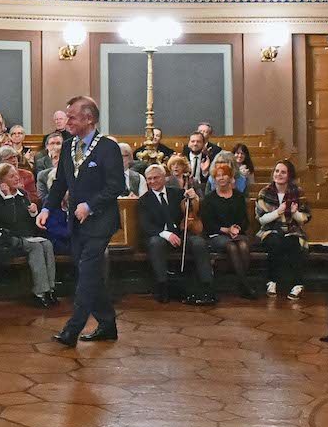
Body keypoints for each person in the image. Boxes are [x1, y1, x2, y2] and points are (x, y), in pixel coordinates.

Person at [36, 96, 124, 346]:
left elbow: (116, 185)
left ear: (89, 119)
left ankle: (72, 330)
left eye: (72, 117)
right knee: (90, 274)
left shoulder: (108, 148)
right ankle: (107, 324)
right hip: (75, 223)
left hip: (101, 222)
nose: (68, 121)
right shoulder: (67, 146)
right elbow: (60, 183)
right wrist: (47, 208)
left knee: (86, 275)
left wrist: (90, 205)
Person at [138, 164, 213, 305]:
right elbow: (146, 226)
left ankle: (207, 287)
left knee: (199, 242)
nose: (152, 181)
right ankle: (162, 287)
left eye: (156, 177)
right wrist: (166, 234)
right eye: (149, 179)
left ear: (164, 178)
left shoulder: (178, 193)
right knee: (156, 243)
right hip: (159, 236)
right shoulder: (144, 200)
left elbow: (195, 209)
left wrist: (194, 198)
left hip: (180, 234)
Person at [0, 162, 56, 308]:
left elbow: (29, 222)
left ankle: (50, 289)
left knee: (47, 244)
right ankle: (39, 292)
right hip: (7, 240)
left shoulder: (23, 194)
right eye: (11, 176)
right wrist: (8, 198)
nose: (17, 178)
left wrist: (33, 213)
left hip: (26, 236)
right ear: (2, 181)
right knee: (36, 247)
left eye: (16, 175)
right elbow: (9, 220)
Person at [256, 159, 311, 300]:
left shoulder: (298, 192)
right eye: (277, 171)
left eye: (283, 172)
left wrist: (294, 213)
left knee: (294, 243)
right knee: (275, 242)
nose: (278, 174)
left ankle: (298, 285)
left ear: (289, 175)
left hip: (292, 229)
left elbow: (305, 218)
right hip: (270, 229)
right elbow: (261, 219)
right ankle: (272, 281)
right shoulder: (265, 192)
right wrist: (277, 212)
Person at [200, 161, 256, 299]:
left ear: (230, 177)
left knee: (243, 245)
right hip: (217, 235)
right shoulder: (209, 199)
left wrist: (237, 228)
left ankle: (242, 283)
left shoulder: (238, 197)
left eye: (224, 175)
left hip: (237, 233)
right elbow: (208, 224)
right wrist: (226, 230)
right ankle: (244, 284)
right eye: (218, 176)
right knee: (231, 246)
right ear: (214, 179)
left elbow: (244, 220)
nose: (221, 178)